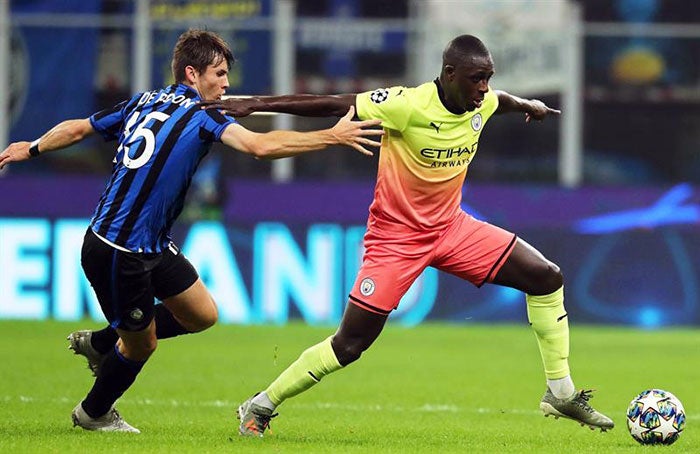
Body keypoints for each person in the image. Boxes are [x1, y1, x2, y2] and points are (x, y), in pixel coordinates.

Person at [204, 34, 614, 436]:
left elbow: (502, 101)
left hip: (452, 228)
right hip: (395, 240)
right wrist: (255, 104)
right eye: (476, 78)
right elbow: (333, 103)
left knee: (546, 277)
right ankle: (260, 404)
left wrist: (531, 105)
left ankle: (560, 393)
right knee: (350, 345)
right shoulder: (406, 105)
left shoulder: (482, 101)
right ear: (449, 74)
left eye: (488, 77)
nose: (484, 87)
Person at [0, 29, 382, 434]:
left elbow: (80, 128)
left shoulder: (145, 101)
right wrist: (331, 136)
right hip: (118, 249)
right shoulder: (202, 116)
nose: (226, 83)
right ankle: (92, 413)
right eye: (218, 73)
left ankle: (99, 343)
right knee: (141, 343)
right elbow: (259, 147)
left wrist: (33, 147)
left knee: (201, 314)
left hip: (150, 243)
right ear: (191, 73)